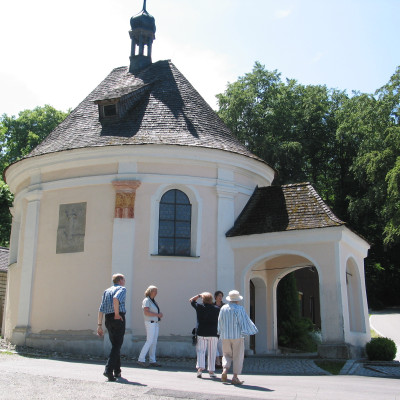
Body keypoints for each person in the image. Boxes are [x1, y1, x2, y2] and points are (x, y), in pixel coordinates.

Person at [217, 289, 258, 385]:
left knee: (226, 354)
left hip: (225, 335)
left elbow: (220, 321)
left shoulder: (223, 308)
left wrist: (220, 332)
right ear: (237, 299)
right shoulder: (240, 309)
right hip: (236, 335)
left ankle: (225, 370)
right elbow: (244, 321)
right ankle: (235, 377)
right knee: (238, 356)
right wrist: (251, 330)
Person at [97, 273, 127, 381]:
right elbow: (116, 299)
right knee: (117, 345)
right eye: (124, 280)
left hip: (108, 319)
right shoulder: (122, 289)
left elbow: (101, 309)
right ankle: (108, 370)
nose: (124, 282)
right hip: (117, 317)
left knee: (115, 345)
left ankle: (117, 371)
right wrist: (117, 314)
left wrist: (99, 325)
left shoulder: (106, 291)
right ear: (120, 281)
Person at [190, 292, 220, 379]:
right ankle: (211, 371)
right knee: (212, 352)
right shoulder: (217, 309)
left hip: (201, 332)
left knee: (200, 351)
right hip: (213, 333)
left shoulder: (199, 307)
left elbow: (191, 300)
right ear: (211, 300)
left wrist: (199, 295)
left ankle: (199, 370)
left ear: (203, 299)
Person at [137, 285, 163, 367]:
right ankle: (141, 359)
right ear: (150, 291)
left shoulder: (153, 301)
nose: (156, 293)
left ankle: (152, 360)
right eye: (155, 291)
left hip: (155, 323)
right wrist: (157, 315)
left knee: (154, 342)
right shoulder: (146, 300)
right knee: (149, 341)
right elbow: (146, 312)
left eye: (156, 291)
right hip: (150, 322)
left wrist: (157, 316)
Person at [214, 290, 224, 370]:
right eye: (219, 296)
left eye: (221, 296)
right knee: (215, 345)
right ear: (215, 297)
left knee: (221, 346)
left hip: (222, 328)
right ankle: (217, 361)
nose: (220, 298)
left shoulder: (224, 306)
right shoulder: (212, 306)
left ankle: (221, 360)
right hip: (213, 327)